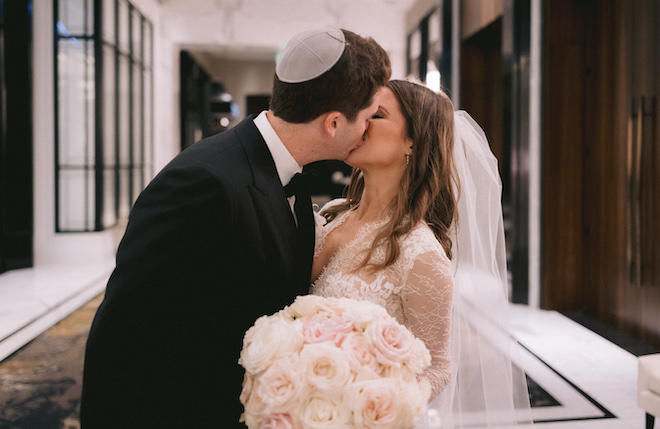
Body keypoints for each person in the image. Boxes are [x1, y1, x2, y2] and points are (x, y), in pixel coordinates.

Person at [80, 27, 391, 428]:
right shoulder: (203, 183)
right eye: (367, 118)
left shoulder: (273, 172)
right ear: (333, 123)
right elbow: (124, 339)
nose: (367, 129)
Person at [311, 80, 534, 428]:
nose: (360, 122)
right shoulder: (333, 212)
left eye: (377, 115)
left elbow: (439, 366)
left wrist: (373, 406)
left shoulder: (419, 253)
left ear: (412, 143)